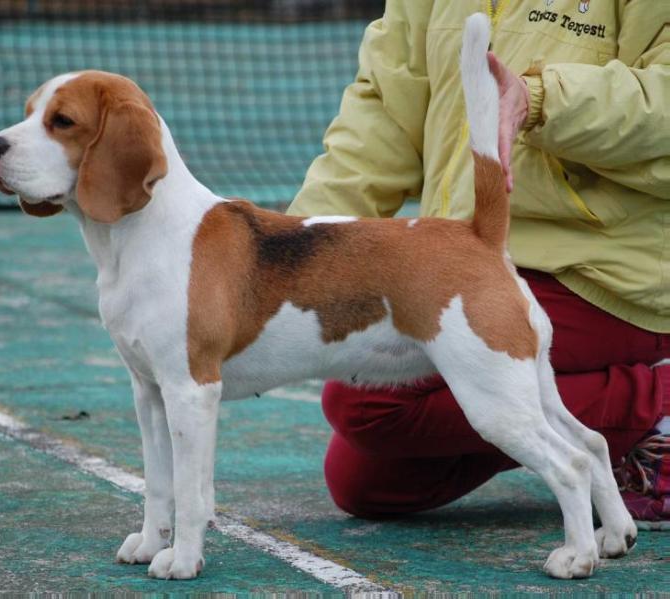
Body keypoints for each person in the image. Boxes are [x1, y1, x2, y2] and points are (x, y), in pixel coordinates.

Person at [287, 0, 670, 528]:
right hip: (470, 257)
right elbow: (383, 115)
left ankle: (657, 400)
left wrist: (539, 100)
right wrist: (292, 252)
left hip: (609, 273)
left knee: (368, 406)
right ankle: (611, 434)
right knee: (366, 483)